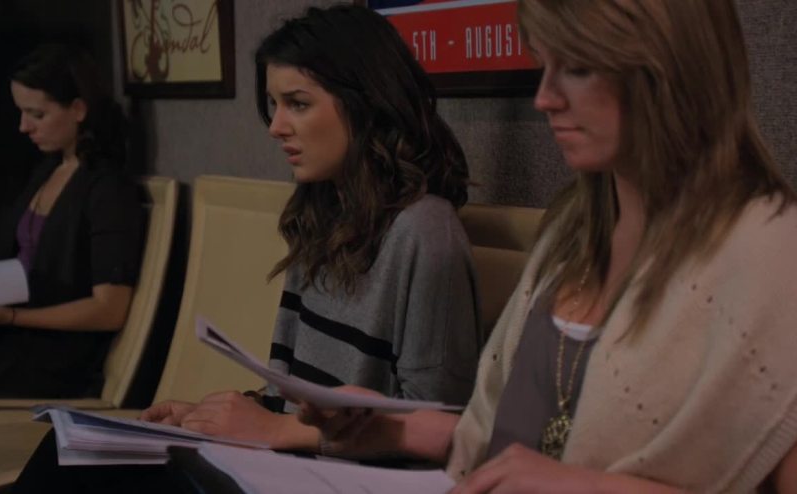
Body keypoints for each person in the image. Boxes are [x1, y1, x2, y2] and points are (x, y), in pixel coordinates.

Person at [292, 0, 797, 492]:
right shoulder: (572, 228)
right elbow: (517, 443)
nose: (545, 98)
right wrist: (390, 429)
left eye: (576, 68)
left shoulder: (772, 254)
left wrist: (589, 487)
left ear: (669, 67)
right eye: (544, 65)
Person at [12, 5, 481, 492]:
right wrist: (218, 416)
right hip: (281, 461)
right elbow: (286, 394)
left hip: (339, 480)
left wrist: (276, 429)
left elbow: (441, 434)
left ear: (366, 103)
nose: (276, 126)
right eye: (274, 105)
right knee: (66, 449)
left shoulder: (425, 230)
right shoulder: (320, 213)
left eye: (297, 103)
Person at [0, 43, 143, 398]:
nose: (23, 127)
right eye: (21, 112)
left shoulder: (107, 189)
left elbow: (110, 309)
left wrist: (13, 317)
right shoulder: (49, 169)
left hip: (51, 358)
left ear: (78, 109)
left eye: (36, 114)